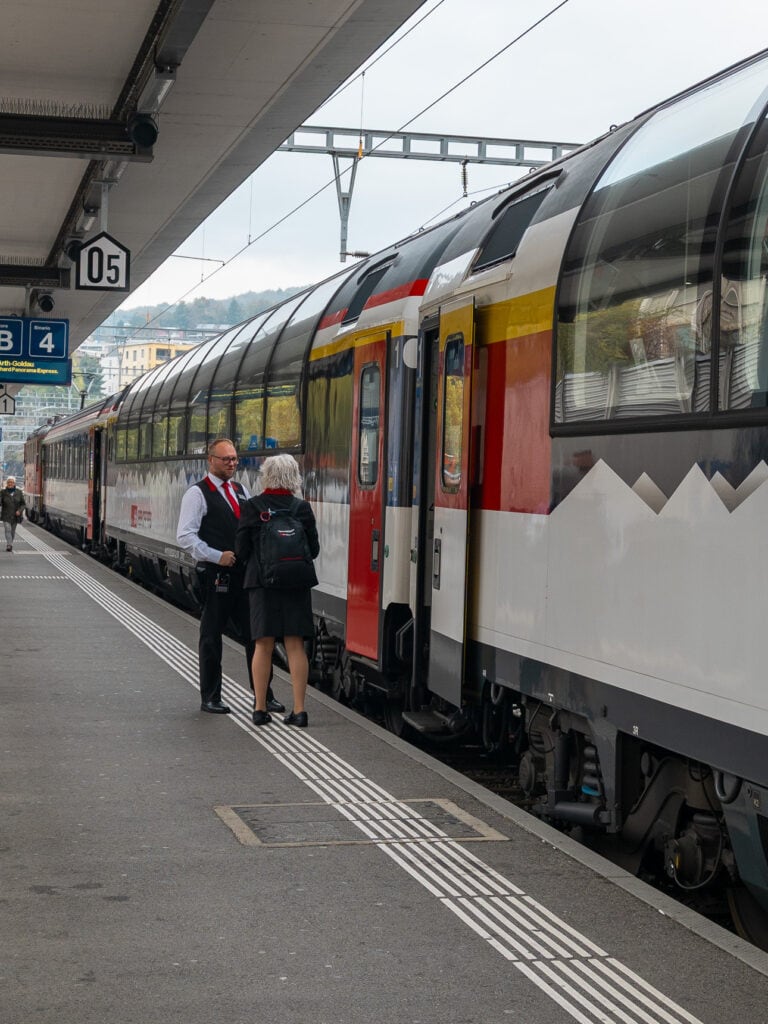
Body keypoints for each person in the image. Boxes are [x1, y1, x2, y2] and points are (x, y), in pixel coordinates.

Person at [176, 438, 285, 716]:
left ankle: (263, 695)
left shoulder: (240, 490)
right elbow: (185, 536)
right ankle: (211, 696)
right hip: (216, 575)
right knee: (212, 635)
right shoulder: (197, 494)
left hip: (244, 575)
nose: (232, 464)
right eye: (226, 459)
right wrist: (215, 555)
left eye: (234, 459)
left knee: (256, 636)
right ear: (210, 460)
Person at [236, 454, 319, 727]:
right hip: (296, 584)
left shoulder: (252, 507)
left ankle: (260, 709)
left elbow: (242, 551)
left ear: (266, 475)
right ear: (294, 476)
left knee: (263, 645)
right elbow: (313, 550)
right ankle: (299, 710)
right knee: (295, 645)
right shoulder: (301, 508)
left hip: (262, 584)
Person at [1, 476, 25, 552]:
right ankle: (9, 545)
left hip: (15, 515)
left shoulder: (19, 492)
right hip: (6, 515)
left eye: (11, 482)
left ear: (14, 483)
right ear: (6, 483)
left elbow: (23, 504)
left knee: (12, 531)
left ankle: (10, 543)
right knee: (7, 529)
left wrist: (20, 511)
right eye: (8, 482)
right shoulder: (3, 492)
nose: (10, 484)